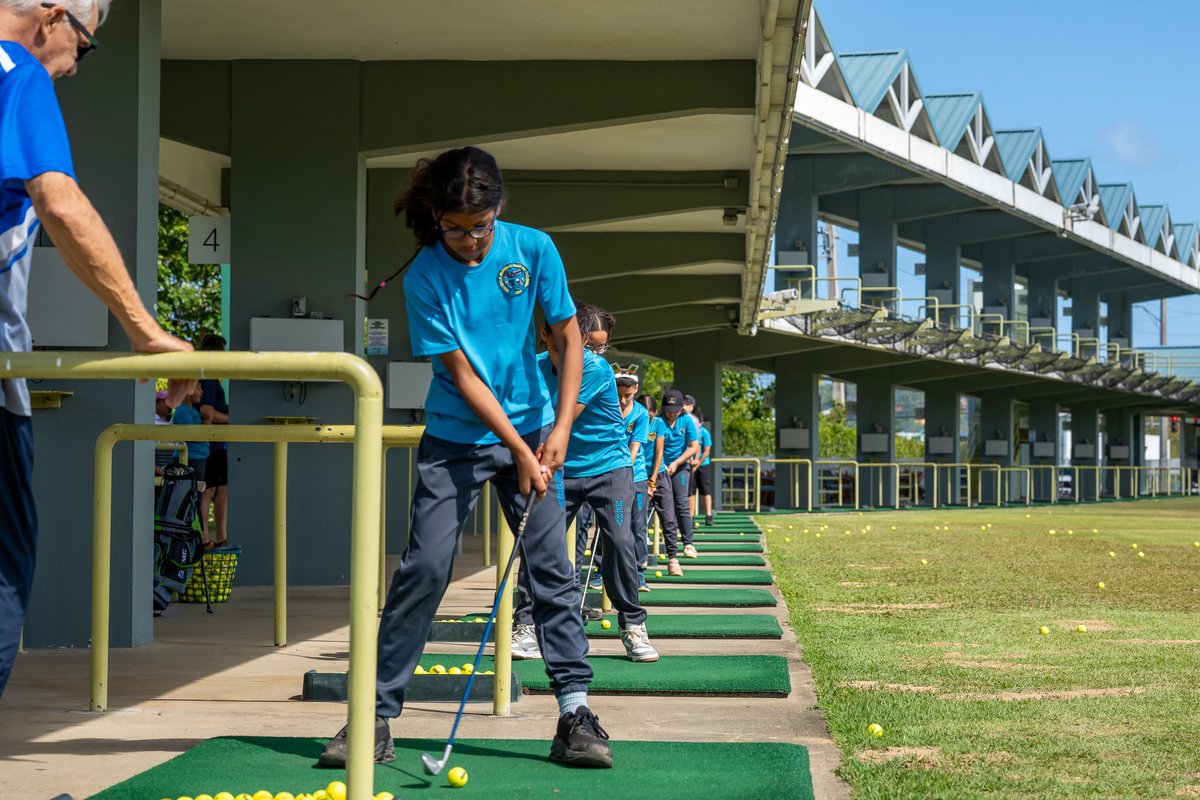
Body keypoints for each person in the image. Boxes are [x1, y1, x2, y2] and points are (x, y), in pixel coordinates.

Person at [318, 146, 612, 770]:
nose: (471, 242)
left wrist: (558, 430)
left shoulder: (533, 249)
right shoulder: (424, 275)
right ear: (436, 217)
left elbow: (567, 336)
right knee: (424, 567)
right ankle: (373, 716)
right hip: (457, 438)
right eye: (456, 229)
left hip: (534, 430)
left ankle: (574, 714)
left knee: (551, 572)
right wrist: (519, 448)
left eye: (480, 227)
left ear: (498, 210)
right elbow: (463, 377)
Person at [0, 0, 193, 702]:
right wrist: (145, 329)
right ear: (51, 17)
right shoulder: (18, 73)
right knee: (3, 576)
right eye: (86, 42)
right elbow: (58, 198)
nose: (77, 62)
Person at [512, 304, 656, 663]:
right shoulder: (534, 367)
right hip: (562, 470)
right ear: (547, 335)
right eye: (578, 344)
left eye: (597, 347)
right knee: (538, 544)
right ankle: (527, 624)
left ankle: (632, 624)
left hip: (609, 469)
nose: (586, 354)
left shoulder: (593, 368)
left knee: (621, 542)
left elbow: (559, 419)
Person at [653, 389, 701, 568]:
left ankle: (688, 543)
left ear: (682, 408)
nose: (671, 413)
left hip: (680, 467)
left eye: (674, 409)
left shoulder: (686, 420)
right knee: (665, 506)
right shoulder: (658, 421)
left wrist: (676, 462)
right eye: (668, 409)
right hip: (660, 468)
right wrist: (662, 465)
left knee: (681, 503)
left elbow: (693, 446)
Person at [615, 367, 651, 591]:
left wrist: (620, 470)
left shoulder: (641, 414)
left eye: (627, 395)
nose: (622, 399)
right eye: (618, 394)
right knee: (612, 525)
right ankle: (601, 571)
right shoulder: (607, 408)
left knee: (637, 526)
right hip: (609, 473)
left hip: (634, 475)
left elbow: (634, 448)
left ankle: (638, 574)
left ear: (636, 390)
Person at [197, 334, 230, 548]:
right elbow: (207, 413)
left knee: (221, 489)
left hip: (217, 443)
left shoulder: (211, 378)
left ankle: (220, 538)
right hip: (211, 444)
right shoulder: (207, 378)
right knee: (209, 490)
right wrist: (231, 419)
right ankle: (207, 539)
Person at [171, 383, 209, 484]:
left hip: (197, 456)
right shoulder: (183, 411)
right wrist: (207, 421)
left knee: (196, 492)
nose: (201, 392)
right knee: (189, 493)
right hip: (191, 457)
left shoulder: (190, 410)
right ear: (188, 392)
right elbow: (193, 435)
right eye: (198, 388)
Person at [691, 412, 715, 527]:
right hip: (691, 464)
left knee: (705, 490)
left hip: (703, 464)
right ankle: (690, 517)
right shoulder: (690, 432)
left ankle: (708, 515)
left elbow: (706, 451)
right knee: (690, 492)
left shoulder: (704, 432)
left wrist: (698, 463)